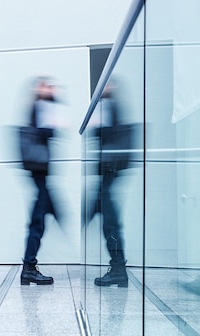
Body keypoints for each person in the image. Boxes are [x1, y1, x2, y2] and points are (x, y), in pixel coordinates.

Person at [20, 76, 63, 286]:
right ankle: (28, 267)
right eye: (46, 86)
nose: (50, 89)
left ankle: (29, 266)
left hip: (40, 171)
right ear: (38, 88)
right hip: (39, 170)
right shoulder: (39, 106)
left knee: (40, 218)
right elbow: (48, 131)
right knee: (38, 220)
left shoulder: (39, 106)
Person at [88, 81, 130, 287]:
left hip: (108, 172)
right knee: (109, 222)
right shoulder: (112, 107)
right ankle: (118, 268)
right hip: (108, 173)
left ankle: (118, 269)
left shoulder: (108, 106)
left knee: (110, 224)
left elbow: (99, 133)